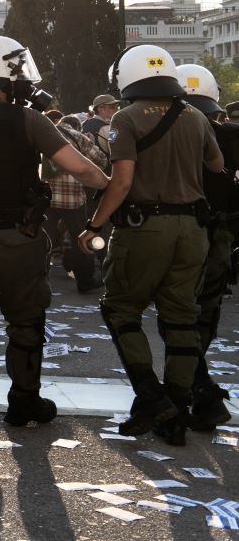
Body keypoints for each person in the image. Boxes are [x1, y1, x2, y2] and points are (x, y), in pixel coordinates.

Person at [0, 36, 109, 442]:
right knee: (25, 322)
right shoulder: (29, 120)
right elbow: (80, 168)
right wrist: (113, 187)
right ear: (9, 73)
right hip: (18, 238)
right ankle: (24, 400)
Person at [82, 45, 223, 446]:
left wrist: (94, 223)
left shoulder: (126, 118)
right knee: (181, 318)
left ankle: (149, 393)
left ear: (127, 77)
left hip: (145, 228)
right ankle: (176, 413)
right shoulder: (196, 116)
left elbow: (123, 181)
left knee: (121, 308)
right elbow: (215, 167)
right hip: (191, 230)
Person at [174, 63, 239, 431]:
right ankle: (197, 388)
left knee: (176, 316)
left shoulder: (165, 134)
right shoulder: (231, 136)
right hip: (220, 240)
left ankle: (196, 389)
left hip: (181, 236)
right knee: (203, 315)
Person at [41, 115, 109, 293]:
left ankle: (39, 279)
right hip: (73, 199)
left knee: (43, 239)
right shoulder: (79, 137)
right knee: (80, 238)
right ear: (76, 126)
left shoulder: (42, 134)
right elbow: (101, 159)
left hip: (45, 197)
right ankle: (85, 280)